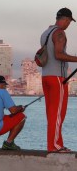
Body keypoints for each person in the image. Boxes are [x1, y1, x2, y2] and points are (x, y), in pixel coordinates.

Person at [41, 8, 77, 153]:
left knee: (51, 114)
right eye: (69, 21)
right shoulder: (60, 33)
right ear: (66, 19)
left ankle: (56, 144)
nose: (69, 24)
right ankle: (55, 145)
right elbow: (59, 55)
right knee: (58, 114)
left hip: (46, 77)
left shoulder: (46, 33)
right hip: (57, 79)